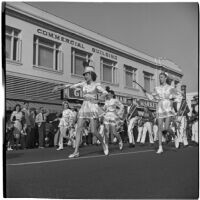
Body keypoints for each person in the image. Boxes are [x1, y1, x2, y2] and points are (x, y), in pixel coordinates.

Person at [52, 60, 108, 158]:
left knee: (93, 131)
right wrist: (59, 87)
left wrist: (97, 99)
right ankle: (76, 151)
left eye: (86, 74)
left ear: (91, 74)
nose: (84, 76)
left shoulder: (96, 85)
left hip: (92, 107)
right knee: (78, 129)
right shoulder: (83, 84)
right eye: (84, 75)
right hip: (84, 107)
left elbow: (105, 93)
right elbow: (71, 86)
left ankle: (103, 142)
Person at [144, 72, 182, 154]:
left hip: (168, 108)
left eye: (161, 77)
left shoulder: (170, 88)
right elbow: (152, 97)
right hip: (160, 108)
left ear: (165, 78)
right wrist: (146, 93)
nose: (160, 79)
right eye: (159, 77)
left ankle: (174, 136)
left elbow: (179, 96)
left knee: (166, 128)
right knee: (160, 128)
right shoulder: (156, 88)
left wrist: (173, 101)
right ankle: (160, 147)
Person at [102, 87, 124, 154]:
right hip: (106, 116)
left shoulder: (115, 100)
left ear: (111, 94)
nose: (107, 95)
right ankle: (106, 147)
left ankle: (120, 141)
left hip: (113, 116)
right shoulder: (106, 101)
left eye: (108, 94)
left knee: (114, 132)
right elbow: (104, 109)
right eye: (107, 94)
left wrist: (118, 113)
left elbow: (122, 106)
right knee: (106, 132)